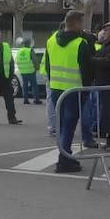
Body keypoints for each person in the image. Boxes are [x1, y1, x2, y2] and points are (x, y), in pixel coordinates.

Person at [45, 10, 94, 173]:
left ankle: (64, 156)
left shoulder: (51, 41)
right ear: (76, 24)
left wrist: (52, 83)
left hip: (57, 89)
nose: (83, 26)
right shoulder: (80, 43)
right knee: (69, 126)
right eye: (82, 23)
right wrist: (86, 90)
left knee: (61, 126)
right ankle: (64, 160)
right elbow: (87, 70)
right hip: (74, 89)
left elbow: (48, 66)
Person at [14, 38, 41, 104]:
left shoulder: (19, 51)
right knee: (34, 85)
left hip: (23, 72)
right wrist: (37, 68)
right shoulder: (30, 50)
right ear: (29, 44)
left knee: (24, 85)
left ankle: (25, 100)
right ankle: (36, 100)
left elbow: (17, 60)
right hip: (31, 71)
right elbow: (35, 61)